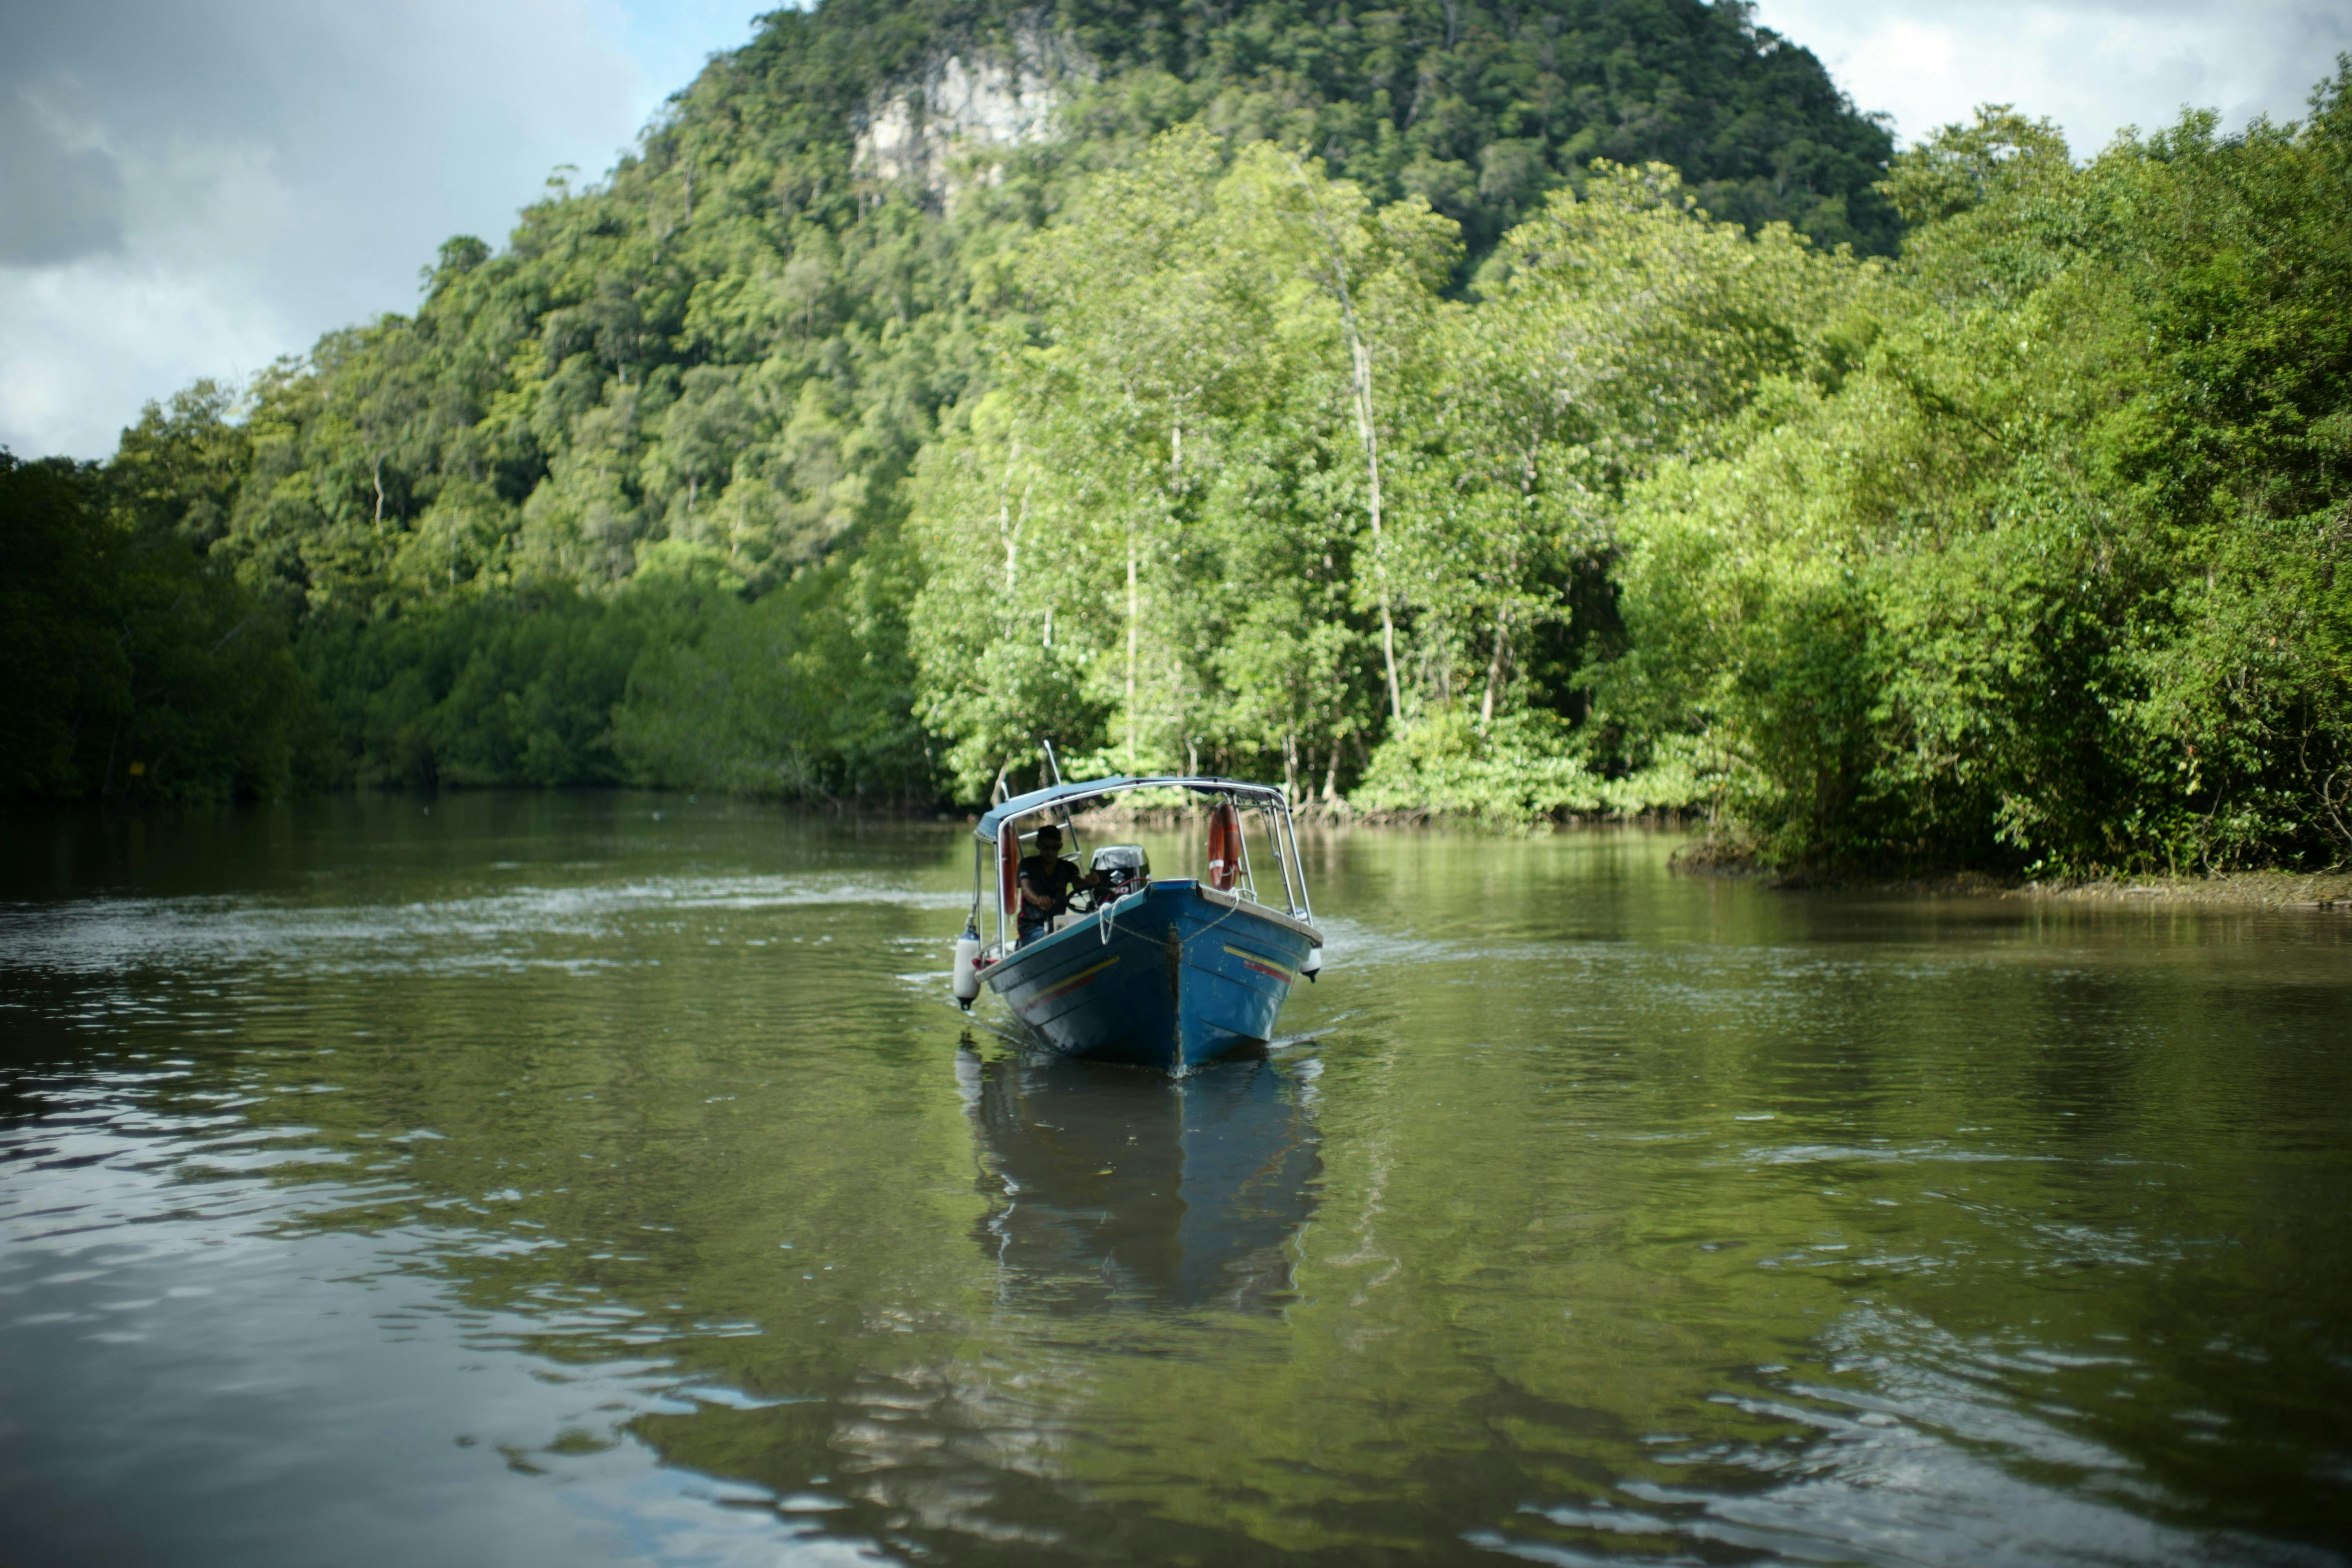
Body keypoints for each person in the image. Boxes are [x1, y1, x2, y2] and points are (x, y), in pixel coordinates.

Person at [1015, 824, 1096, 947]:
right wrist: (1038, 900)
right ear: (1038, 846)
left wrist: (1090, 881)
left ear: (1060, 847)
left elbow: (1079, 883)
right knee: (1049, 941)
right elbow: (1027, 889)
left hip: (1059, 924)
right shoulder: (1027, 865)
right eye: (1045, 848)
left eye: (1055, 848)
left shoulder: (1068, 867)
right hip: (1031, 927)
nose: (1050, 852)